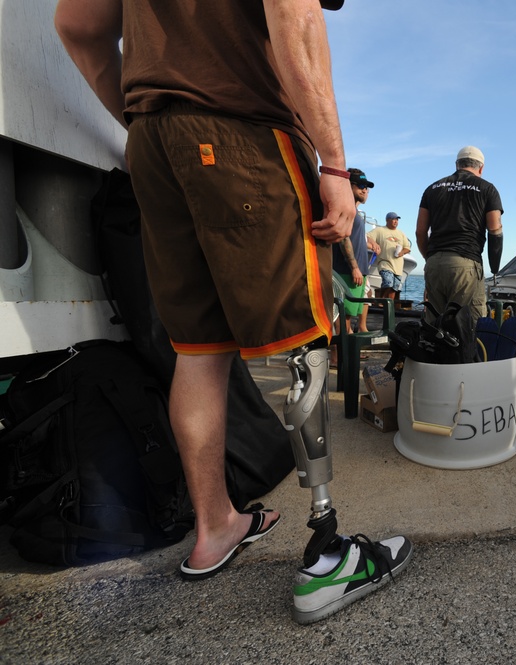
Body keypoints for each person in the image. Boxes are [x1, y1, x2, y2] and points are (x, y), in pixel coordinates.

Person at [54, 0, 411, 625]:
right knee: (304, 339)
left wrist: (145, 116)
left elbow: (77, 26)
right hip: (242, 129)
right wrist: (332, 163)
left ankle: (215, 526)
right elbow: (293, 15)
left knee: (198, 349)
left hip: (153, 143)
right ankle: (328, 551)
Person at [415, 145, 504, 322]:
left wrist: (430, 258)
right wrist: (494, 268)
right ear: (481, 168)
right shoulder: (487, 189)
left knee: (436, 326)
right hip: (465, 263)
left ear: (457, 164)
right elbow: (495, 229)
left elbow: (420, 231)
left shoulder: (432, 188)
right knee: (470, 326)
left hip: (434, 264)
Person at [333, 168, 380, 335]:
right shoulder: (344, 208)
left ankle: (347, 352)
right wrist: (354, 267)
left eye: (366, 186)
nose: (365, 189)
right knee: (343, 314)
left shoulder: (354, 211)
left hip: (359, 270)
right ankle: (339, 356)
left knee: (350, 315)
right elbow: (343, 238)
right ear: (348, 185)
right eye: (360, 185)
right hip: (346, 271)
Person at [368, 212, 411, 301]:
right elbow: (367, 237)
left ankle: (388, 304)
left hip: (398, 266)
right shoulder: (380, 230)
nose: (396, 221)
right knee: (388, 282)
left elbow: (407, 248)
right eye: (393, 219)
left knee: (394, 287)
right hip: (385, 262)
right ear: (387, 220)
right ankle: (381, 299)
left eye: (397, 219)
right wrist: (374, 243)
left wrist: (401, 252)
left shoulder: (401, 233)